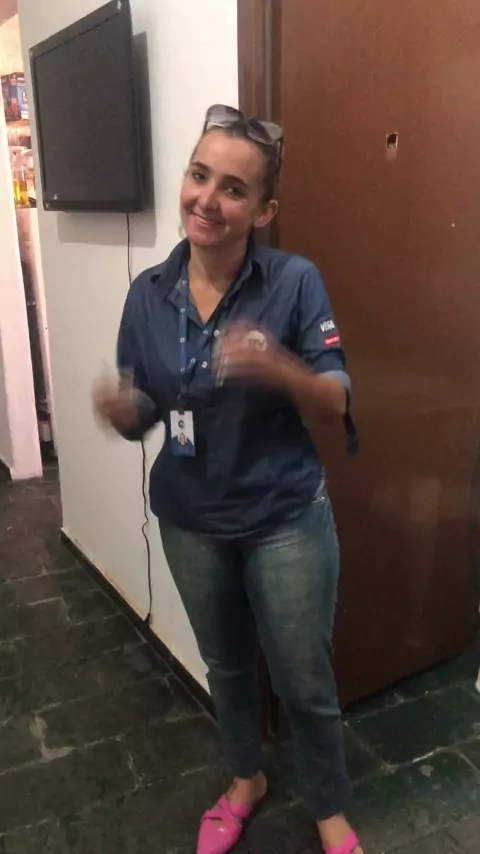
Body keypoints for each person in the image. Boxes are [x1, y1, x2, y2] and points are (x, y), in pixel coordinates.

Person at [93, 104, 361, 854]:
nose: (207, 199)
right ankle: (246, 780)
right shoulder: (148, 292)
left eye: (234, 189)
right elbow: (143, 408)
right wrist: (122, 409)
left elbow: (335, 399)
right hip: (190, 518)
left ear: (263, 211)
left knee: (303, 678)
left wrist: (280, 368)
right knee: (227, 666)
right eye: (199, 175)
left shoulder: (294, 282)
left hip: (284, 516)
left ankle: (330, 808)